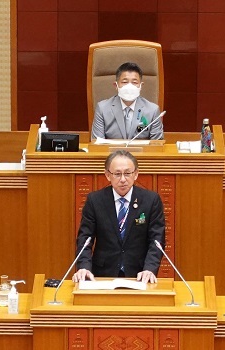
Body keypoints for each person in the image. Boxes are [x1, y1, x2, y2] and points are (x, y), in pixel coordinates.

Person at [72, 150, 165, 284]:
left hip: (139, 275)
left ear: (136, 174)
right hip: (102, 274)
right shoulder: (95, 200)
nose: (122, 179)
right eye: (117, 174)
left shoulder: (150, 200)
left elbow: (157, 239)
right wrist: (84, 267)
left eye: (127, 173)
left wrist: (149, 269)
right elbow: (85, 238)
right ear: (107, 175)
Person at [91, 62, 164, 141]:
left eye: (134, 82)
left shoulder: (152, 110)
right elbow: (97, 144)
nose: (130, 86)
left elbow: (157, 145)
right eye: (125, 82)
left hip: (142, 153)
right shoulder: (103, 108)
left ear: (141, 86)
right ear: (116, 85)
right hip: (111, 153)